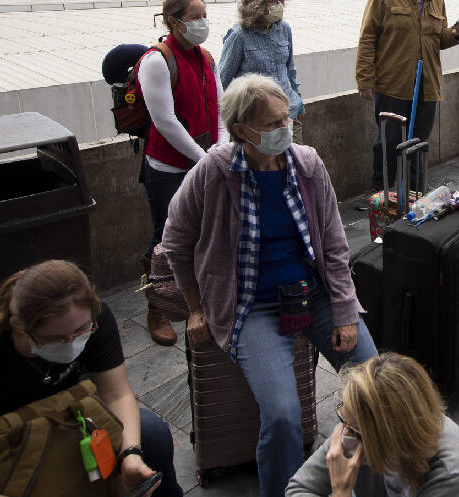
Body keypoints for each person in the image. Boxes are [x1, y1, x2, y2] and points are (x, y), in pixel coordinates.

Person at [160, 74, 379, 497]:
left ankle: (365, 479)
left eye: (288, 118)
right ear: (242, 130)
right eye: (274, 122)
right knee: (282, 416)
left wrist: (345, 311)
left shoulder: (307, 164)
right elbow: (175, 238)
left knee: (374, 387)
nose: (287, 128)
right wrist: (196, 307)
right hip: (250, 306)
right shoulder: (214, 170)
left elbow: (334, 245)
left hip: (312, 294)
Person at [0, 260, 182, 497]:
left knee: (151, 432)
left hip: (71, 423)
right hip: (3, 453)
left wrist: (131, 454)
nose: (71, 344)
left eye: (80, 331)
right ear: (19, 325)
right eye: (54, 338)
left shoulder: (96, 317)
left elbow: (116, 393)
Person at [137, 0, 227, 346]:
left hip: (203, 161)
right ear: (174, 21)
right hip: (168, 167)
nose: (203, 23)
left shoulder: (205, 57)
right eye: (196, 17)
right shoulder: (156, 61)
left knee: (203, 232)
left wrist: (218, 148)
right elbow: (166, 122)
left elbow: (219, 108)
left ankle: (196, 301)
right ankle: (157, 306)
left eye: (205, 15)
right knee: (165, 239)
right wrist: (206, 159)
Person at [286, 353, 459, 497]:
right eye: (345, 420)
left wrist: (341, 491)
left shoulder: (448, 472)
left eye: (355, 432)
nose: (344, 436)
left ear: (391, 436)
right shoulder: (358, 422)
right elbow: (299, 488)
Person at [356, 0, 459, 192]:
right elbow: (367, 38)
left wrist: (455, 34)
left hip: (428, 87)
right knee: (388, 143)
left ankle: (416, 194)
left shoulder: (436, 1)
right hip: (393, 86)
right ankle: (380, 194)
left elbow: (438, 40)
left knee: (418, 145)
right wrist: (365, 80)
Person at [220, 0, 306, 143]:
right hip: (256, 119)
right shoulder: (239, 35)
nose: (279, 6)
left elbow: (289, 69)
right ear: (256, 5)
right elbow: (223, 79)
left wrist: (298, 98)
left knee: (294, 162)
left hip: (288, 112)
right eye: (273, 2)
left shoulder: (284, 29)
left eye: (279, 1)